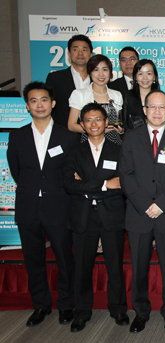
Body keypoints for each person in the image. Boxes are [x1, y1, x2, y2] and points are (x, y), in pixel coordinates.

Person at [119, 90, 165, 333]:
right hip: (138, 214)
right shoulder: (130, 138)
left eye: (163, 108)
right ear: (145, 110)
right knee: (138, 266)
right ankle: (141, 311)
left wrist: (160, 204)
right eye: (153, 107)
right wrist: (144, 204)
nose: (158, 112)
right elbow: (125, 175)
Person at [7, 81, 78, 327]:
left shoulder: (67, 137)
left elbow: (70, 173)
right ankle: (41, 305)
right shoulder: (17, 136)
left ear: (53, 103)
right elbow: (17, 171)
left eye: (44, 100)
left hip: (59, 207)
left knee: (64, 258)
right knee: (33, 259)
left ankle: (67, 305)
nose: (40, 105)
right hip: (27, 207)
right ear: (27, 106)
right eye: (34, 101)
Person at [63, 103, 128, 332]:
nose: (93, 124)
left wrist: (86, 184)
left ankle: (118, 308)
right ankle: (82, 311)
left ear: (106, 123)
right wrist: (103, 184)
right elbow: (69, 184)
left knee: (115, 265)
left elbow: (124, 184)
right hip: (83, 216)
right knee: (82, 266)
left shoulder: (119, 150)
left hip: (111, 215)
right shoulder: (74, 151)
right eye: (88, 120)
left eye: (98, 119)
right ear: (82, 124)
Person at [67, 54, 124, 145]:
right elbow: (71, 125)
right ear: (90, 72)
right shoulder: (79, 94)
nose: (101, 74)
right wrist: (96, 130)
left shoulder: (117, 95)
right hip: (89, 143)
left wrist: (120, 130)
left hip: (114, 143)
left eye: (105, 69)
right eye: (96, 70)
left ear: (110, 73)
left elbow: (119, 122)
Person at [46, 34, 93, 128]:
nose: (80, 53)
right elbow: (47, 107)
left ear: (91, 54)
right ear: (69, 53)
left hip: (94, 136)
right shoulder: (55, 78)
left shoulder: (99, 79)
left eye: (84, 49)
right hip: (64, 134)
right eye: (75, 49)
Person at [124, 59, 159, 130]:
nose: (145, 78)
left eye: (149, 73)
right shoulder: (128, 97)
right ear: (135, 78)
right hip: (134, 139)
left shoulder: (161, 98)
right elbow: (125, 124)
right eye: (140, 74)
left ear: (154, 77)